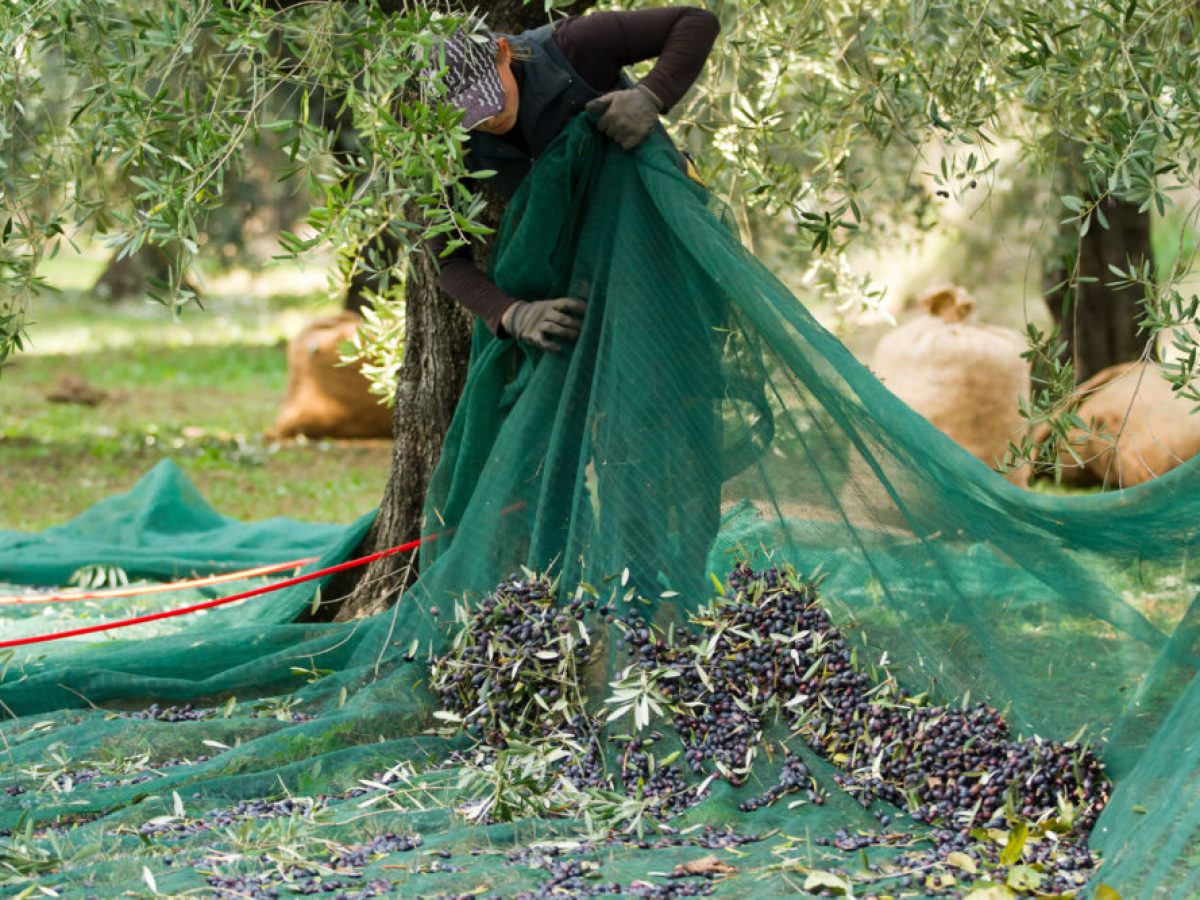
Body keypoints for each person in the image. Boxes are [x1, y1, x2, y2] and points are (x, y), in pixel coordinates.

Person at [425, 7, 720, 351]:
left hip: (661, 236)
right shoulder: (445, 142)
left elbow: (697, 22)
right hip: (584, 281)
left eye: (492, 97)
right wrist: (511, 313)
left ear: (503, 52)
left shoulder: (573, 46)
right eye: (472, 111)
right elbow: (446, 259)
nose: (489, 118)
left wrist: (650, 96)